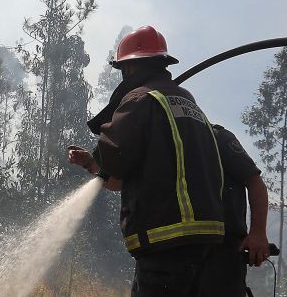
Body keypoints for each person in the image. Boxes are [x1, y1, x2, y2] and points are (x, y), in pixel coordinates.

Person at [68, 25, 224, 297]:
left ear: (129, 69)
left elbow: (115, 161)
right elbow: (120, 180)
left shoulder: (140, 99)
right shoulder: (187, 102)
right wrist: (90, 166)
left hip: (167, 236)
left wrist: (98, 155)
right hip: (205, 239)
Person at [199, 124, 271, 296]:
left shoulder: (216, 137)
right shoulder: (159, 140)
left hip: (223, 252)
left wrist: (258, 233)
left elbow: (255, 183)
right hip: (172, 253)